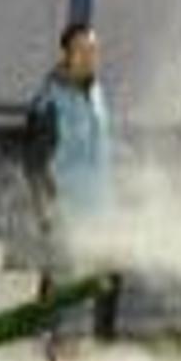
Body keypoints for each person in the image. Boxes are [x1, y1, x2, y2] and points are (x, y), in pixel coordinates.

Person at [21, 22, 120, 340]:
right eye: (83, 51)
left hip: (101, 207)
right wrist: (46, 212)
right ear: (67, 55)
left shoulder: (97, 93)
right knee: (59, 280)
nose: (91, 57)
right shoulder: (49, 101)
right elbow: (34, 164)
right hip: (65, 206)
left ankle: (104, 342)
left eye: (94, 51)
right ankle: (44, 342)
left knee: (110, 272)